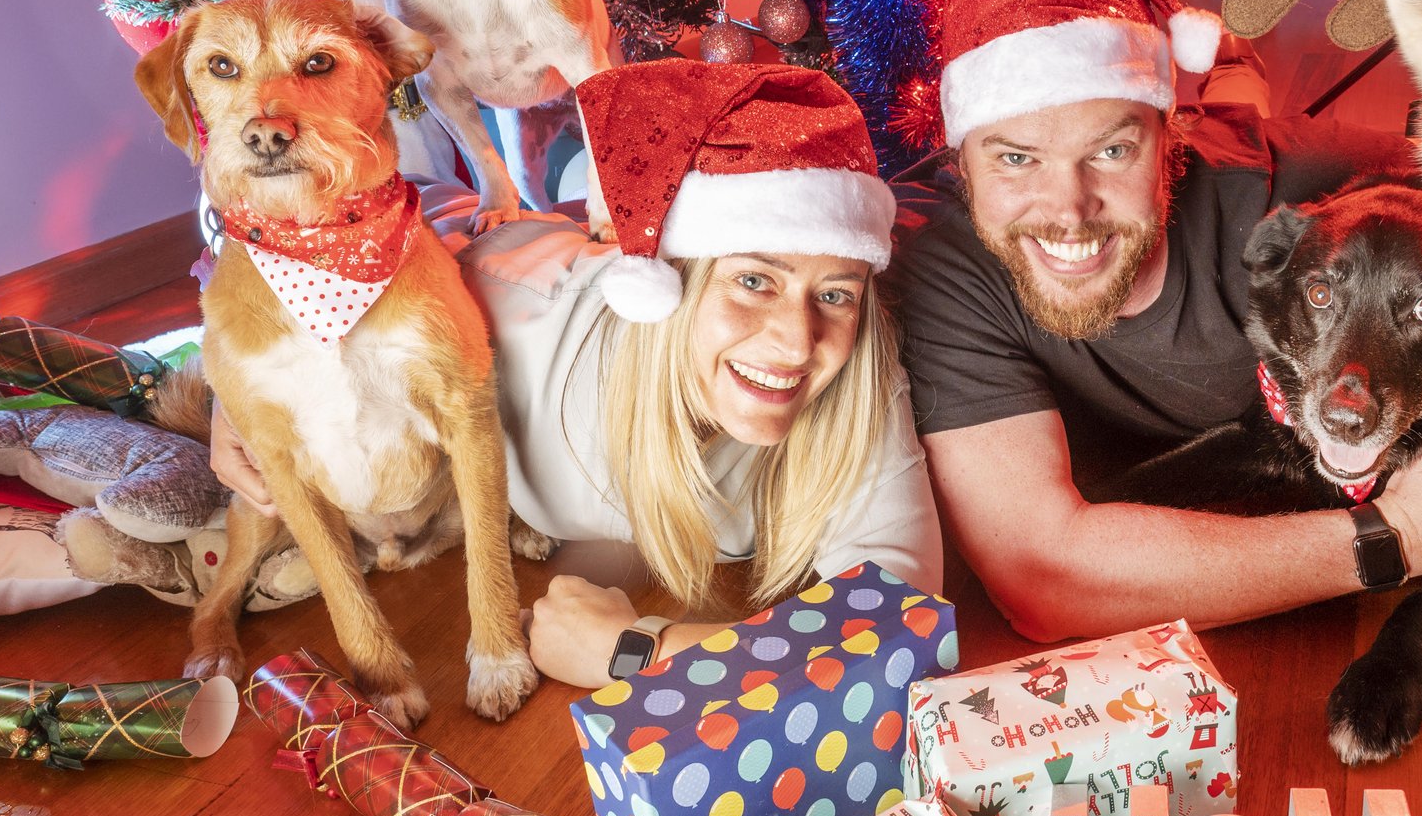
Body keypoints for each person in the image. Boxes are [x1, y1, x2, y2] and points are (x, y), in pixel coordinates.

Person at [888, 0, 1422, 642]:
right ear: (958, 159)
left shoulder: (1300, 196)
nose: (1068, 210)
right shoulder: (945, 266)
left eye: (1111, 150)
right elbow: (1043, 575)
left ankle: (1232, 70)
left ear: (1174, 132)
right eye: (1015, 158)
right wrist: (1399, 537)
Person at [210, 58, 939, 687]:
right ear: (672, 286)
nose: (795, 340)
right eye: (753, 281)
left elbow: (902, 635)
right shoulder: (509, 313)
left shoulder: (853, 377)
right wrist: (225, 390)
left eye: (834, 292)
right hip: (527, 251)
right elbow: (347, 217)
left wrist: (637, 650)